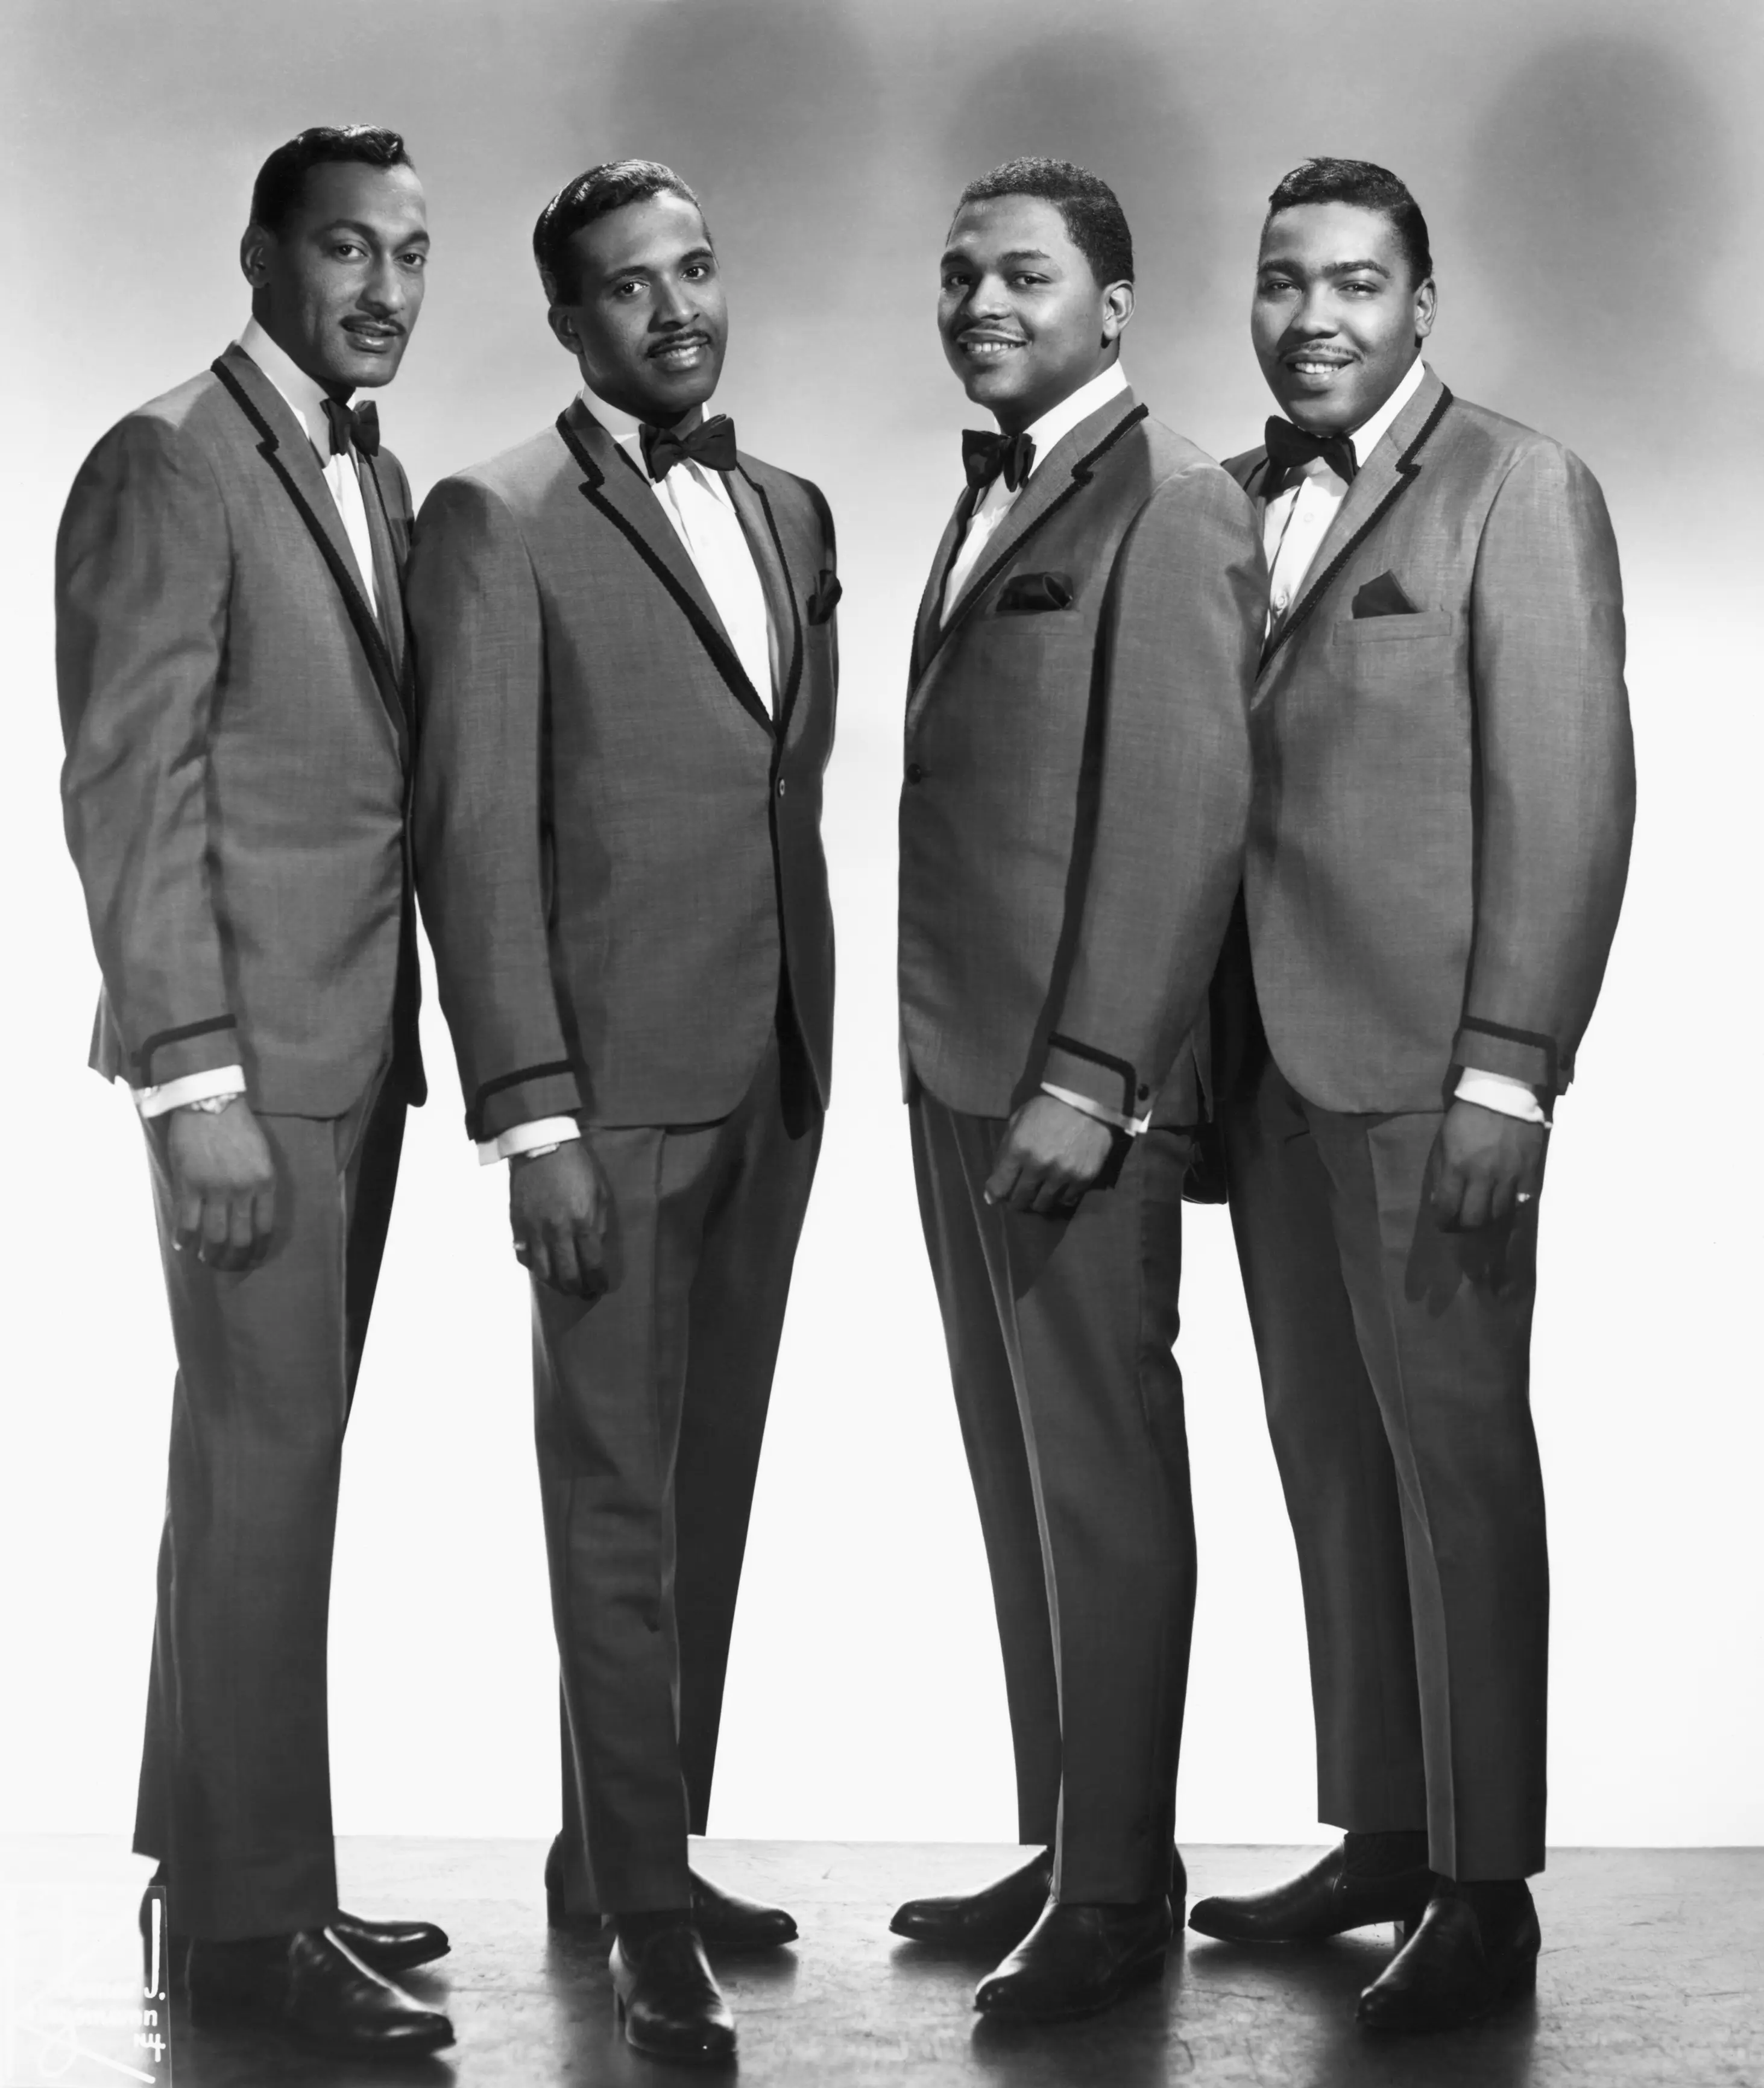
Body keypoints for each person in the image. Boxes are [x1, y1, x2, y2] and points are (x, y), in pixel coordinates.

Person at [1187, 158, 1634, 2033]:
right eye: (1283, 281)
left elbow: (1569, 794)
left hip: (1432, 1076)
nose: (1314, 318)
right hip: (1261, 1073)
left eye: (1355, 284)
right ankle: (1381, 1832)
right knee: (1328, 1462)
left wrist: (1510, 1073)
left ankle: (1483, 1883)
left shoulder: (1517, 487)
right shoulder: (1217, 503)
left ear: (1420, 305)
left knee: (1455, 1464)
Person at [406, 160, 836, 2066]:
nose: (675, 309)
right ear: (568, 320)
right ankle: (646, 1920)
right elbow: (473, 838)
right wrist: (532, 1115)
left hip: (773, 1071)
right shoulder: (494, 519)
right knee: (610, 1496)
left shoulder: (791, 508)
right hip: (606, 1094)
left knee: (706, 1485)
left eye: (696, 269)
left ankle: (625, 1850)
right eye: (628, 286)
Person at [55, 126, 453, 2058]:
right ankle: (253, 1931)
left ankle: (224, 1873)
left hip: (351, 1048)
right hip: (250, 1061)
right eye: (347, 250)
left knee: (246, 1473)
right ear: (261, 256)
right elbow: (127, 785)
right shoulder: (170, 459)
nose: (383, 289)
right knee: (267, 1475)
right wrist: (190, 1080)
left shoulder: (362, 470)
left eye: (409, 256)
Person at [887, 158, 1261, 2022]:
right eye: (960, 274)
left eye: (1022, 275)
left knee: (1099, 1481)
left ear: (1111, 306)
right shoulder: (999, 492)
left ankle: (1114, 1893)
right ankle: (1069, 1841)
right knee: (1019, 1478)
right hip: (957, 1067)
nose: (980, 303)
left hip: (1070, 1093)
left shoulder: (1172, 500)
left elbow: (1184, 815)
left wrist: (1100, 1076)